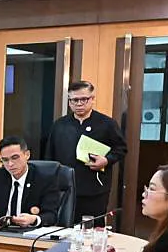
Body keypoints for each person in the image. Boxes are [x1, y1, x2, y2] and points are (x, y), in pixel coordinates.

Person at [44, 81, 126, 224]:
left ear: (92, 99)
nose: (79, 104)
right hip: (65, 187)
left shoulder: (107, 123)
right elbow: (49, 155)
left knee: (91, 227)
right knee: (64, 226)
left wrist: (106, 160)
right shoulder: (60, 124)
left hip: (95, 188)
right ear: (69, 102)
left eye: (84, 99)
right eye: (74, 100)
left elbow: (121, 149)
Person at [0, 135, 60, 228]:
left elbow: (51, 215)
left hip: (30, 232)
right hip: (3, 232)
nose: (10, 164)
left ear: (27, 155)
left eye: (15, 157)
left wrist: (34, 219)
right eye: (5, 160)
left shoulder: (44, 179)